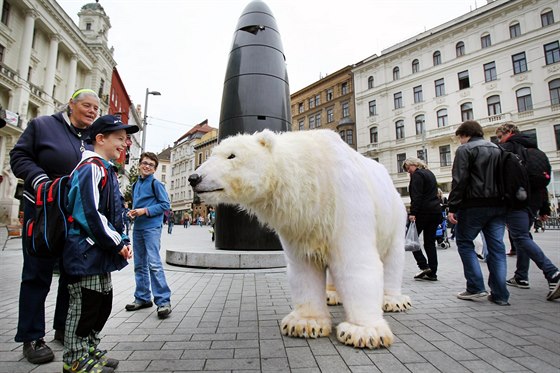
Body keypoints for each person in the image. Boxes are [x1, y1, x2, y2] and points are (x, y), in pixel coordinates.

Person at [9, 88, 100, 364]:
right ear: (71, 105)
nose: (92, 111)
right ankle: (32, 337)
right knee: (37, 274)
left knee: (72, 274)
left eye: (96, 109)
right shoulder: (43, 126)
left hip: (74, 217)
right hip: (42, 213)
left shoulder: (90, 139)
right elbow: (19, 157)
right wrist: (38, 179)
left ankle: (63, 328)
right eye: (87, 105)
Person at [62, 115, 136, 373]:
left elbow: (114, 214)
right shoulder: (91, 168)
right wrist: (117, 243)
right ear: (100, 139)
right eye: (119, 138)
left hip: (98, 252)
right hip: (86, 253)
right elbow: (89, 214)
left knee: (100, 304)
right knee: (83, 307)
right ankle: (75, 360)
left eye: (126, 140)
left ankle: (90, 349)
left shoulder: (105, 169)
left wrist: (122, 240)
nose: (124, 144)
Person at [448, 120, 509, 306]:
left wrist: (453, 207)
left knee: (465, 242)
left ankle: (475, 287)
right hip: (498, 205)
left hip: (473, 205)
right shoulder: (498, 149)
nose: (460, 141)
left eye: (460, 138)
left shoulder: (465, 150)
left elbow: (460, 180)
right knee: (497, 248)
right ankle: (500, 295)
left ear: (465, 135)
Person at [495, 123, 559, 301]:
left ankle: (552, 273)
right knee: (523, 236)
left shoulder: (508, 148)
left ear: (509, 133)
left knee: (521, 237)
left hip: (518, 199)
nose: (499, 140)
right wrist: (544, 207)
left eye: (500, 136)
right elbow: (542, 183)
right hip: (534, 201)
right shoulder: (537, 151)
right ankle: (521, 276)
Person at [125, 152, 172, 318]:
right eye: (144, 163)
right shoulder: (135, 184)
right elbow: (137, 206)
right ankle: (143, 297)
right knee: (139, 264)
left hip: (152, 228)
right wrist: (132, 213)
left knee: (154, 263)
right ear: (139, 164)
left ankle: (164, 301)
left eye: (151, 165)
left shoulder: (156, 184)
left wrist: (144, 211)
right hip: (138, 228)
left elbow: (166, 205)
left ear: (154, 169)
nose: (146, 166)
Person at [403, 158, 441, 281]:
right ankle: (433, 272)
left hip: (423, 212)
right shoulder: (430, 173)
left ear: (414, 164)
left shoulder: (417, 175)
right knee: (430, 243)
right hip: (435, 211)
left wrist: (413, 212)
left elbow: (417, 196)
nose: (409, 172)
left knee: (411, 240)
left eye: (408, 168)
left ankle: (423, 265)